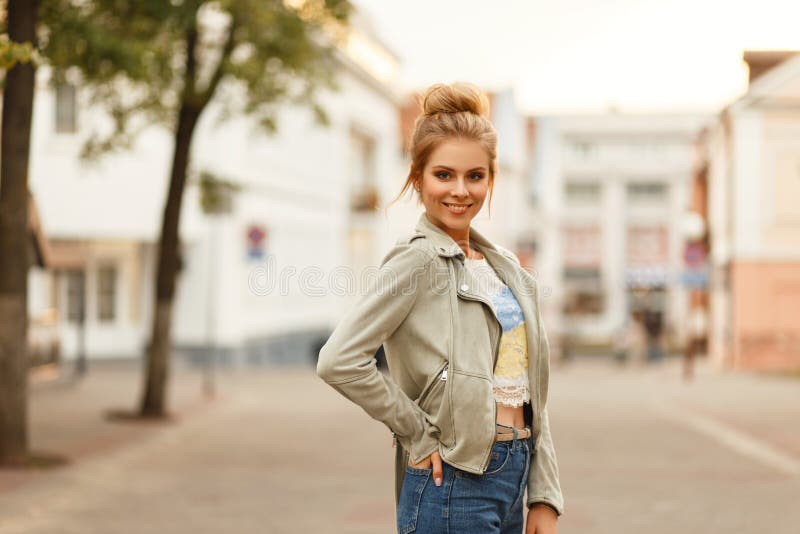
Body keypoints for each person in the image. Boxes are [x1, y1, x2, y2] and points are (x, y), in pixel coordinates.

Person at [316, 82, 563, 533]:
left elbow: (533, 392)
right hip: (452, 481)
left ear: (491, 178)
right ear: (417, 177)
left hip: (514, 476)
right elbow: (339, 360)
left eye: (475, 176)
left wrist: (543, 492)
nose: (460, 191)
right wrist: (416, 430)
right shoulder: (418, 259)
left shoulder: (504, 268)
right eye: (443, 174)